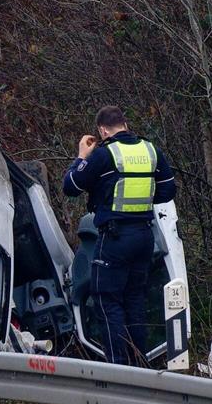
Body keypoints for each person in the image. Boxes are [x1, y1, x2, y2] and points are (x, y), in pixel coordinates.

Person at [62, 106, 176, 366]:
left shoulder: (103, 155)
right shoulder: (151, 150)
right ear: (125, 123)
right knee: (135, 300)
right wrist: (143, 201)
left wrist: (81, 156)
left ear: (102, 130)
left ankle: (118, 372)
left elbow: (70, 186)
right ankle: (140, 367)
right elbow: (168, 191)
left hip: (115, 238)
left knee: (106, 299)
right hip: (144, 238)